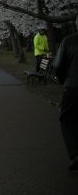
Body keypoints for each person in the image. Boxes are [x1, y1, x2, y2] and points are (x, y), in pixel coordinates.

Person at [53, 22, 78, 172]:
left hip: (73, 87)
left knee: (68, 120)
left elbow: (57, 65)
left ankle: (75, 154)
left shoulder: (69, 41)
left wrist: (64, 81)